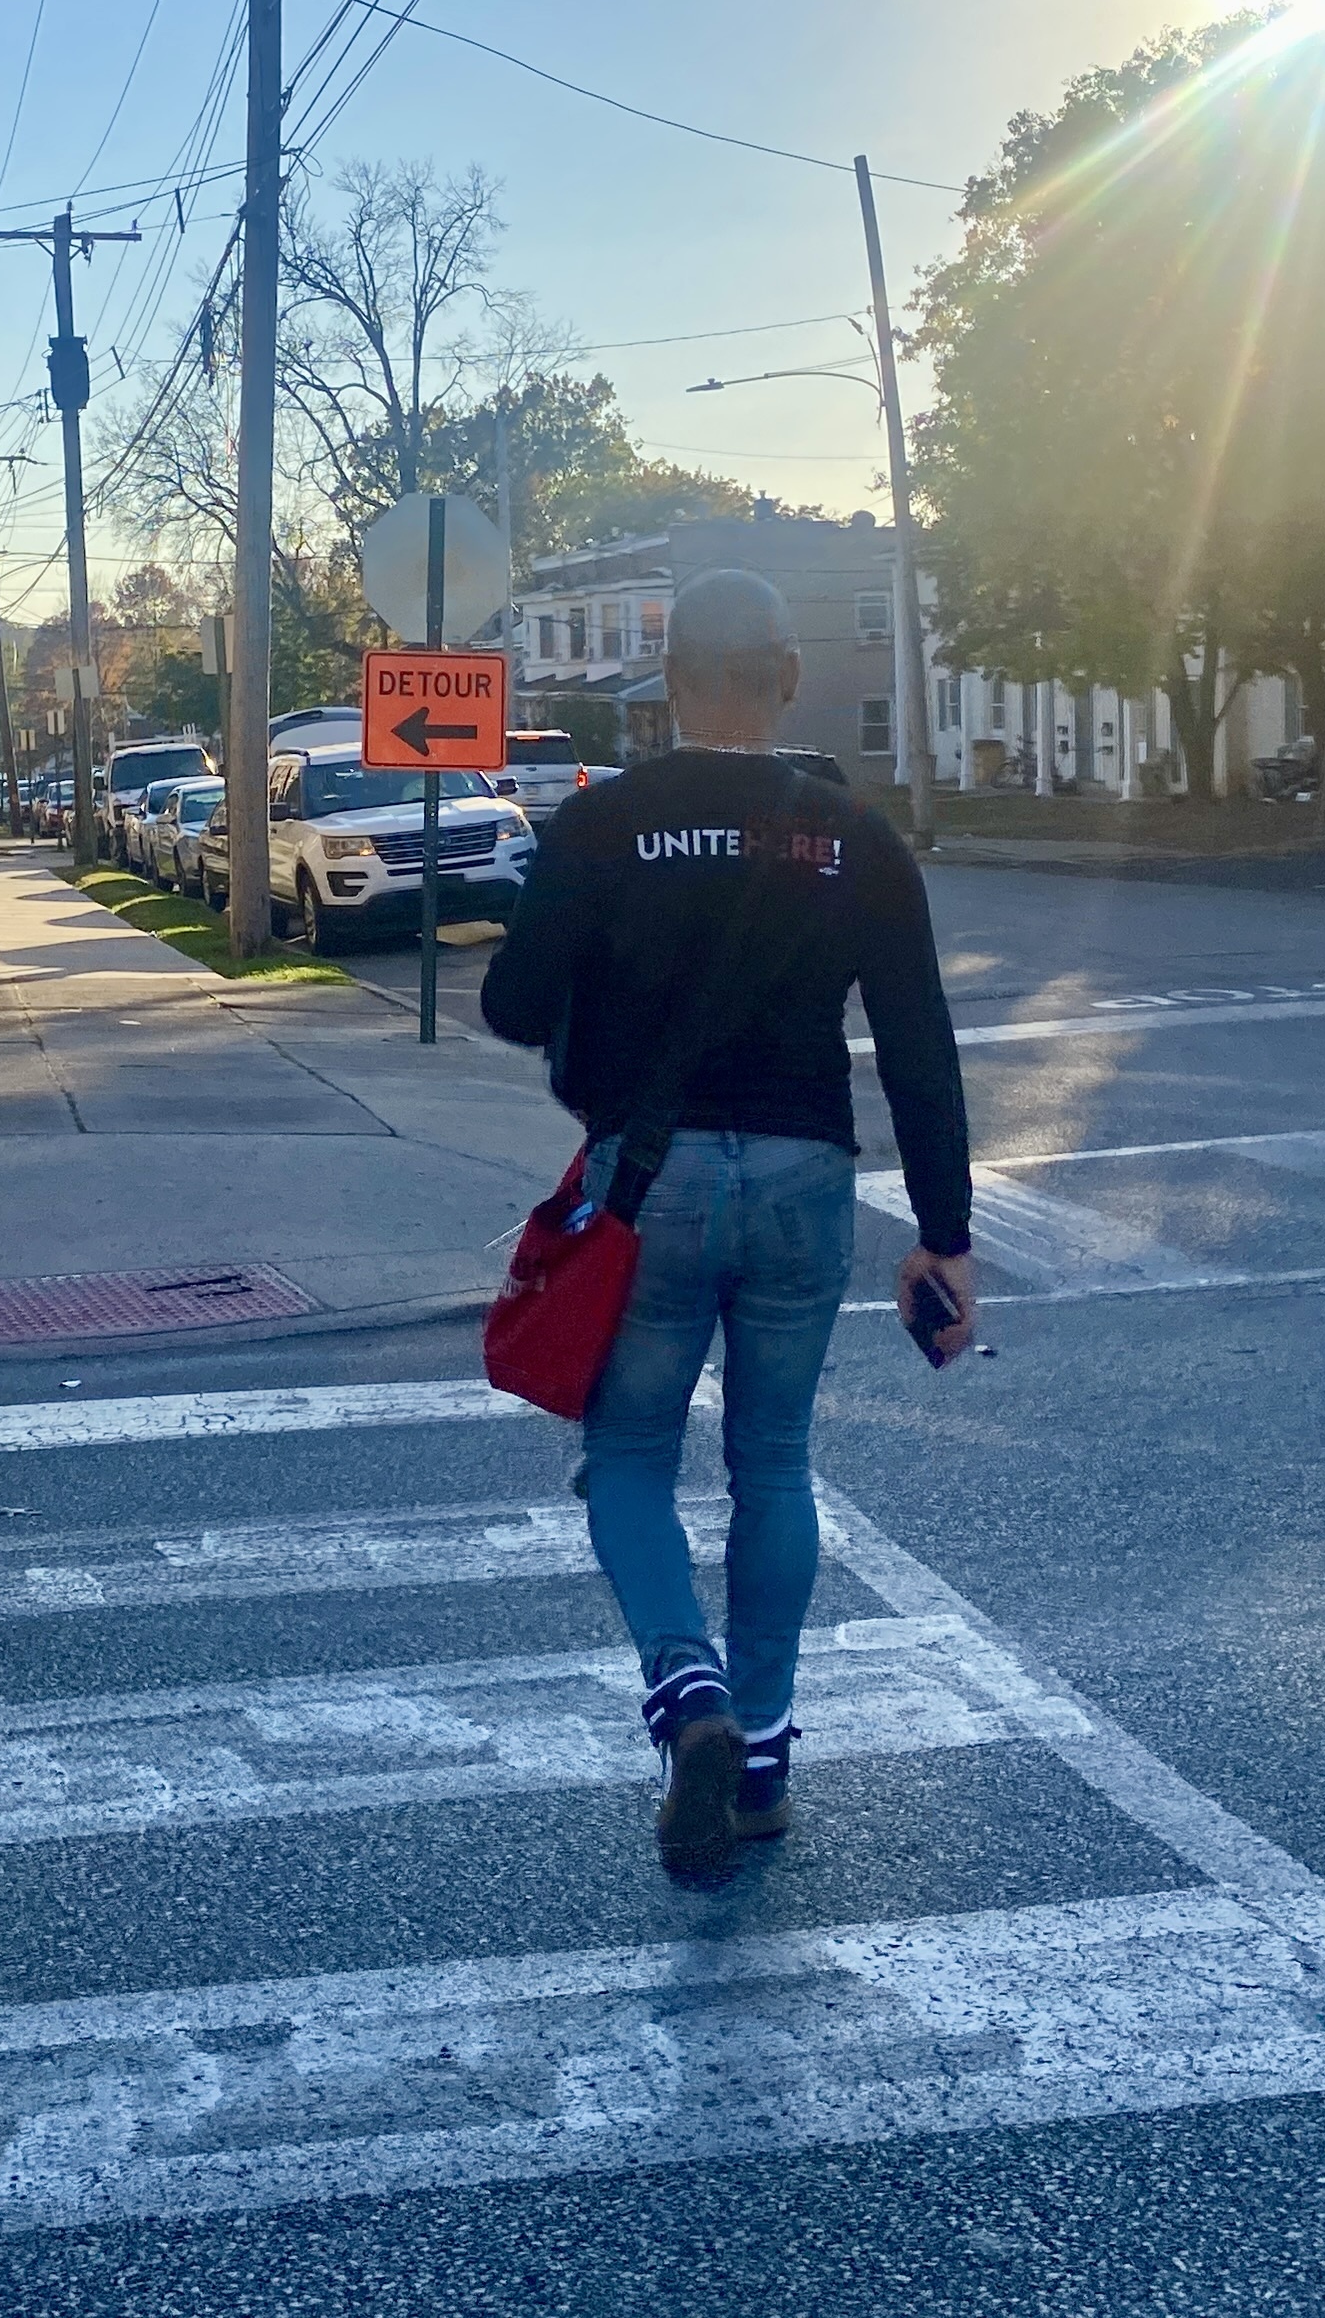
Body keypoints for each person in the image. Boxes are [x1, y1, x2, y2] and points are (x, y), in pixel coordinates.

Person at [480, 569, 975, 1869]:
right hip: (810, 1179)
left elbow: (515, 1009)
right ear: (790, 682)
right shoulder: (854, 839)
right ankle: (758, 1754)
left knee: (632, 1458)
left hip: (649, 1190)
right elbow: (920, 1048)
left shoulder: (604, 827)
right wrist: (945, 1232)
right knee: (775, 1461)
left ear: (668, 683)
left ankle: (684, 1690)